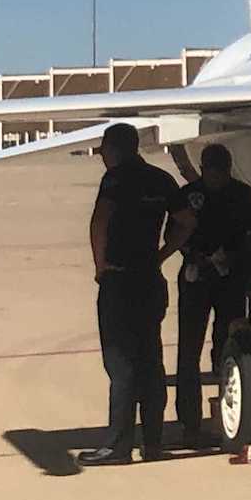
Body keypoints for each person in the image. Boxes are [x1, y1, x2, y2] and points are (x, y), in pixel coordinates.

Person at [77, 123, 195, 466]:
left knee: (121, 364)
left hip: (120, 279)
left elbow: (100, 222)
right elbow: (187, 221)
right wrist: (162, 253)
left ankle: (118, 445)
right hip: (149, 277)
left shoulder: (115, 180)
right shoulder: (161, 179)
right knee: (150, 362)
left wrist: (101, 266)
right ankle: (153, 442)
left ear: (114, 149)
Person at [173, 143, 251, 448]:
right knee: (188, 351)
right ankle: (189, 422)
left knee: (228, 346)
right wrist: (195, 256)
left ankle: (231, 411)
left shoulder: (242, 194)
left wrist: (233, 257)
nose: (215, 178)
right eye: (210, 172)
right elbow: (174, 234)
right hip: (196, 277)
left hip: (231, 279)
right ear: (203, 170)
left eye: (220, 172)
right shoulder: (189, 195)